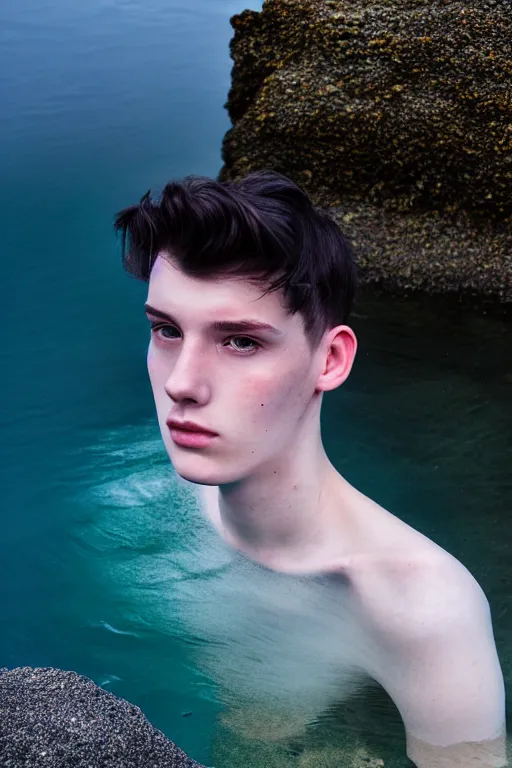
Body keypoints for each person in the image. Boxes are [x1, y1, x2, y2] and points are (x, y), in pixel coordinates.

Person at [114, 171, 507, 767]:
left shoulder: (423, 611)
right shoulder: (149, 497)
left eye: (240, 342)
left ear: (331, 359)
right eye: (166, 330)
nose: (181, 384)